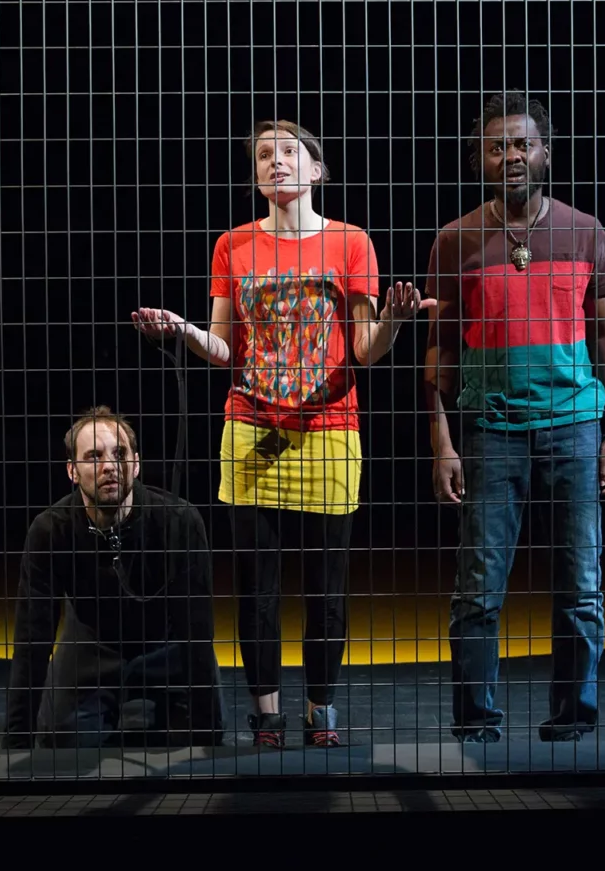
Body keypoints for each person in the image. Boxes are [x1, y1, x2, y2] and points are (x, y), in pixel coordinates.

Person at [133, 119, 429, 748]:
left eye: (290, 152)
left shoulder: (351, 242)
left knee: (327, 587)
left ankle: (321, 711)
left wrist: (397, 322)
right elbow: (225, 348)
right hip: (251, 429)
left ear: (316, 170)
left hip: (328, 430)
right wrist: (182, 329)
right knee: (256, 583)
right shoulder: (232, 245)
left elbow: (364, 350)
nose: (276, 163)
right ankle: (266, 713)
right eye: (265, 154)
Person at [422, 92, 605, 743]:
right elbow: (439, 350)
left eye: (522, 143)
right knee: (477, 589)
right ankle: (476, 718)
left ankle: (574, 714)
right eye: (497, 145)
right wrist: (442, 441)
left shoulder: (583, 229)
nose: (510, 155)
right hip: (490, 429)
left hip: (573, 425)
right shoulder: (456, 240)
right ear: (479, 158)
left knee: (581, 583)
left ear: (544, 150)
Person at [1, 407, 224, 750]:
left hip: (166, 646)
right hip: (92, 644)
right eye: (94, 456)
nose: (109, 466)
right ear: (72, 471)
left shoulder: (179, 521)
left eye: (119, 454)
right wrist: (16, 740)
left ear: (135, 464)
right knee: (63, 742)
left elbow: (198, 629)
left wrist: (208, 724)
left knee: (195, 740)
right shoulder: (51, 530)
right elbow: (32, 636)